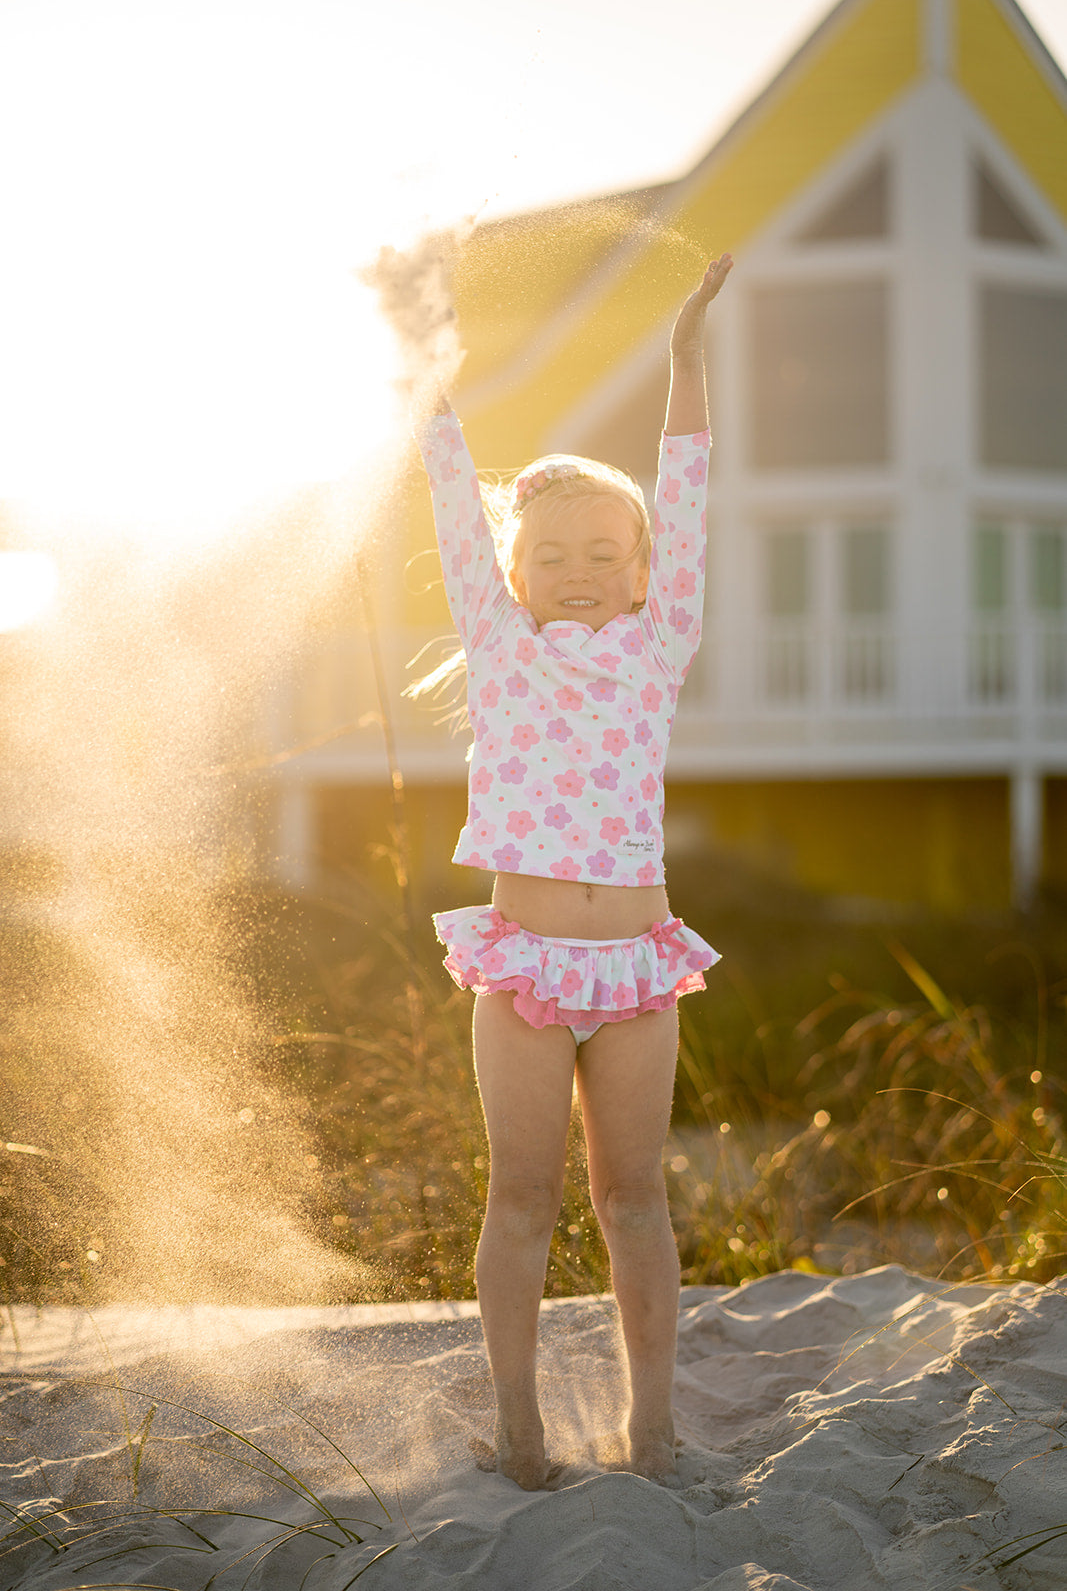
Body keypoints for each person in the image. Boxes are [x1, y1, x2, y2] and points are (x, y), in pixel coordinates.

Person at [413, 253, 732, 1490]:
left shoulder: (659, 646)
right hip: (526, 963)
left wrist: (685, 356)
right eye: (552, 554)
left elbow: (686, 487)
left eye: (606, 549)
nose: (582, 570)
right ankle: (520, 1421)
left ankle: (651, 1423)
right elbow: (445, 484)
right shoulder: (498, 643)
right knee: (524, 1201)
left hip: (637, 968)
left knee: (634, 1200)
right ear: (514, 572)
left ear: (645, 570)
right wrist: (429, 357)